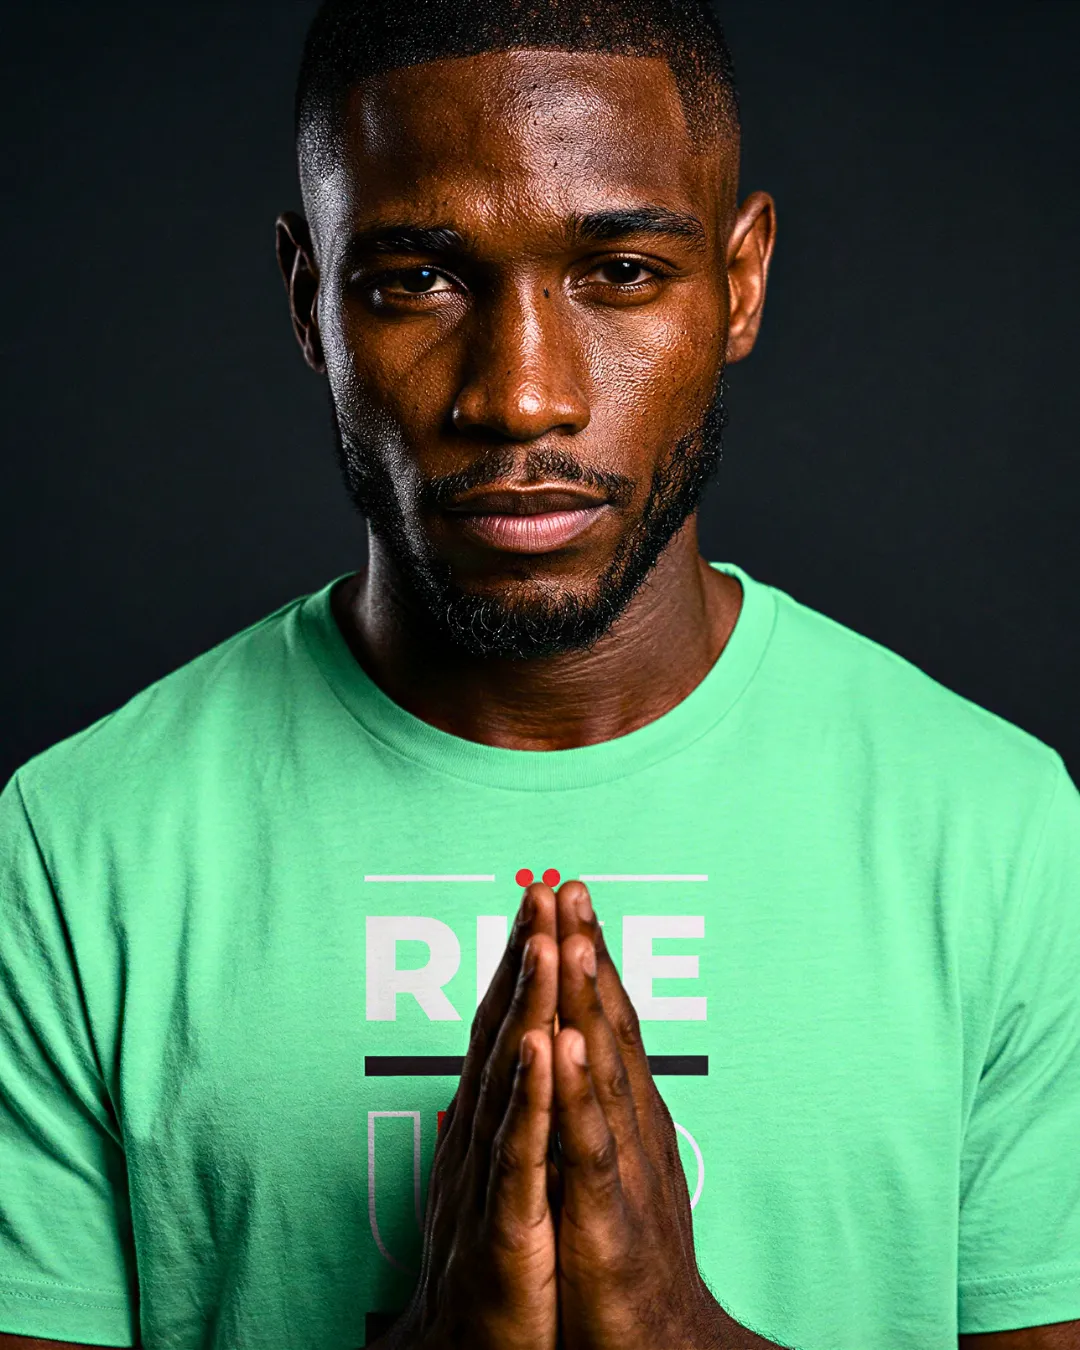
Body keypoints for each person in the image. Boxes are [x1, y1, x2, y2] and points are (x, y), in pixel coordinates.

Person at [1, 0, 1079, 1346]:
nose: (521, 397)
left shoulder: (998, 831)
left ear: (740, 282)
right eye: (416, 280)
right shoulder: (78, 847)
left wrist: (681, 1336)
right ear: (307, 300)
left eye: (620, 271)